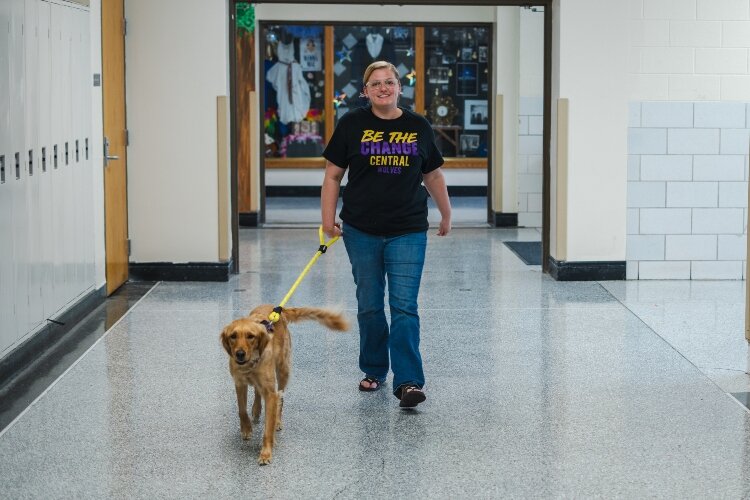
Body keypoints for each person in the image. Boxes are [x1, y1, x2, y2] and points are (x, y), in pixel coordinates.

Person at [321, 60, 452, 409]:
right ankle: (375, 369)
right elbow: (333, 176)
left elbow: (434, 176)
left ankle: (408, 381)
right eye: (376, 83)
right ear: (365, 91)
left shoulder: (418, 126)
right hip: (360, 230)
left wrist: (446, 213)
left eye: (389, 82)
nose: (383, 88)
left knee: (404, 306)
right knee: (369, 305)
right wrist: (327, 220)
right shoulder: (351, 124)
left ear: (399, 87)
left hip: (407, 229)